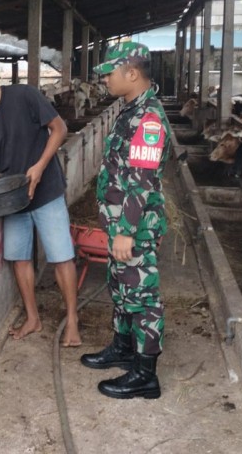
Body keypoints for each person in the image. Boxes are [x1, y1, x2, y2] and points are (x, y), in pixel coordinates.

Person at [0, 66, 81, 345]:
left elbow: (59, 129)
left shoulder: (24, 96)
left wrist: (39, 166)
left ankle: (72, 320)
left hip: (46, 189)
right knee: (19, 258)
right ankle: (33, 318)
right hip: (11, 199)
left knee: (61, 256)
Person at [80, 42, 171, 399]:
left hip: (135, 227)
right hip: (120, 225)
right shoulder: (130, 110)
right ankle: (123, 348)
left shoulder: (148, 118)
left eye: (109, 73)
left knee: (143, 296)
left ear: (131, 73)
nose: (105, 80)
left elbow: (142, 181)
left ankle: (146, 375)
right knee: (121, 289)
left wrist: (126, 232)